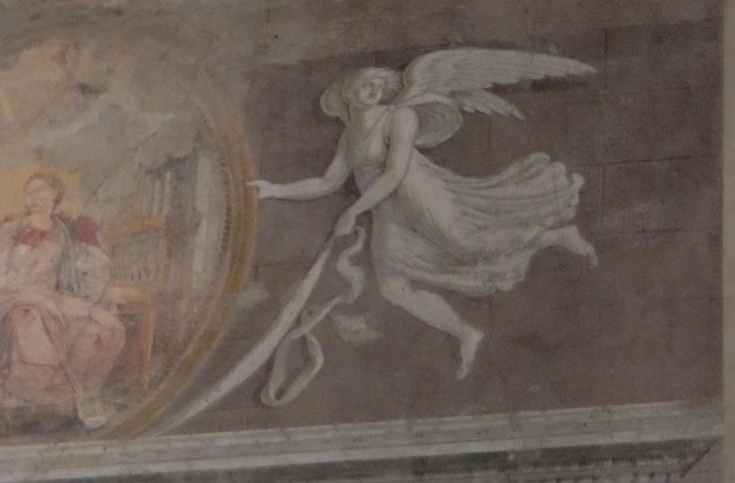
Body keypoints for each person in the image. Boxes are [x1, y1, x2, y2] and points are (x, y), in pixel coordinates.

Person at [250, 64, 596, 378]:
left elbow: (394, 173)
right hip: (385, 209)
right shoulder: (349, 135)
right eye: (366, 85)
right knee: (393, 287)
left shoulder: (399, 117)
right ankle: (465, 332)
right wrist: (274, 189)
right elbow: (327, 182)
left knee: (466, 245)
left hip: (418, 194)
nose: (374, 90)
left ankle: (554, 236)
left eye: (378, 85)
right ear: (347, 92)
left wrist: (353, 211)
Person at [0, 172, 125, 430]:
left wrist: (90, 238)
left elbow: (85, 271)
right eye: (30, 192)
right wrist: (23, 253)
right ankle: (42, 401)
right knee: (29, 318)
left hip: (53, 298)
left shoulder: (65, 231)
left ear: (55, 195)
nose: (36, 197)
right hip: (9, 298)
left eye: (42, 190)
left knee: (106, 326)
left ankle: (78, 398)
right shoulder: (12, 229)